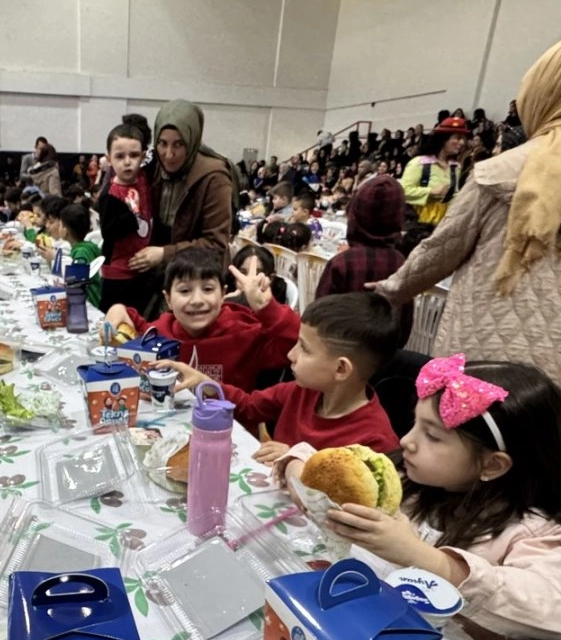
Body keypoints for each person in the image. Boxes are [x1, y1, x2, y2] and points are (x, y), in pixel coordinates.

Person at [374, 26, 561, 423]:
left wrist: (390, 290)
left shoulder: (500, 170)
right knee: (542, 455)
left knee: (456, 449)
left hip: (477, 344)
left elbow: (440, 251)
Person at [285, 356, 561, 640]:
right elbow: (327, 466)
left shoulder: (531, 532)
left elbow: (560, 614)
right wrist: (296, 468)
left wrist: (426, 558)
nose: (406, 441)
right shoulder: (410, 483)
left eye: (432, 436)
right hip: (360, 624)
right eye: (414, 423)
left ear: (492, 465)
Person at [158, 292, 400, 454]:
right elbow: (250, 406)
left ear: (340, 369)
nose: (291, 355)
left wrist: (298, 462)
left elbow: (353, 508)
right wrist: (205, 382)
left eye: (304, 348)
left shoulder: (374, 441)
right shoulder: (302, 391)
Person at [101, 247, 299, 393]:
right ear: (168, 298)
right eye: (185, 291)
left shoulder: (246, 334)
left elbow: (294, 346)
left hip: (230, 433)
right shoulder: (161, 331)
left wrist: (268, 309)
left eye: (208, 289)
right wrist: (117, 309)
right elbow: (136, 325)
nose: (197, 300)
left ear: (223, 294)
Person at [138, 99, 236, 279]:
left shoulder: (214, 178)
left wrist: (164, 254)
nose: (169, 154)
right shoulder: (155, 169)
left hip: (201, 276)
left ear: (192, 141)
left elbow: (215, 244)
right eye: (162, 143)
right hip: (163, 274)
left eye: (179, 144)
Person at [315, 174, 408, 330]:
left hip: (336, 348)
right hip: (384, 352)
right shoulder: (401, 263)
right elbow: (404, 323)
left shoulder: (342, 263)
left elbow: (318, 316)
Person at [96, 121, 156, 312]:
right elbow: (108, 232)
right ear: (109, 159)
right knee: (115, 322)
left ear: (143, 156)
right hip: (118, 274)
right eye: (120, 156)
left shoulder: (145, 178)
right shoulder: (110, 195)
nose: (127, 162)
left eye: (134, 155)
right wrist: (129, 217)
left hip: (143, 269)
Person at [400, 117, 469, 225]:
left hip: (443, 221)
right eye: (457, 137)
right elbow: (403, 191)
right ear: (443, 140)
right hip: (418, 219)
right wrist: (431, 191)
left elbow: (453, 195)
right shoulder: (419, 163)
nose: (462, 142)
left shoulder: (455, 167)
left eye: (463, 138)